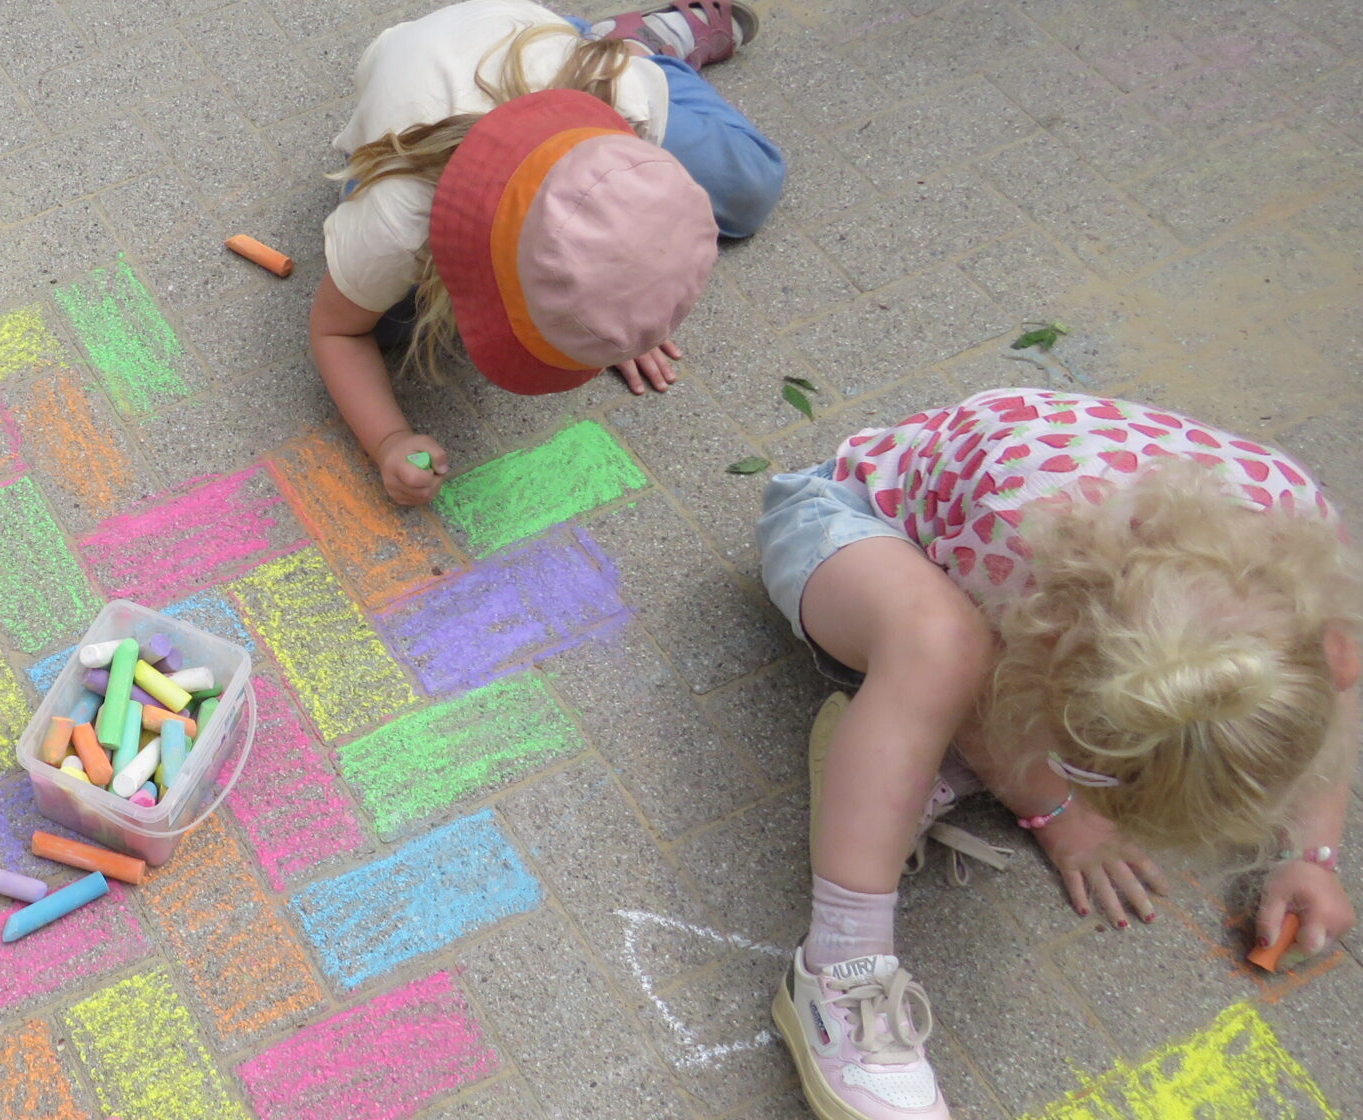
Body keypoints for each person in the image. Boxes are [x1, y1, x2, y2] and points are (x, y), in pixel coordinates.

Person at [755, 387, 1358, 1120]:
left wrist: (1311, 853)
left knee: (955, 673)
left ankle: (880, 762)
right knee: (946, 654)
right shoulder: (1028, 550)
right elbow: (990, 708)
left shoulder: (1300, 574)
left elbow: (1322, 694)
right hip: (843, 523)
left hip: (1028, 571)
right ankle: (837, 966)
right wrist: (1058, 813)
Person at [314, 0, 784, 505]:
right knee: (389, 321)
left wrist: (622, 304)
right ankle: (630, 45)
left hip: (561, 62)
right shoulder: (399, 219)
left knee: (751, 188)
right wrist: (389, 440)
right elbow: (336, 330)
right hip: (412, 118)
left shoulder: (617, 109)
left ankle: (627, 45)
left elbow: (629, 213)